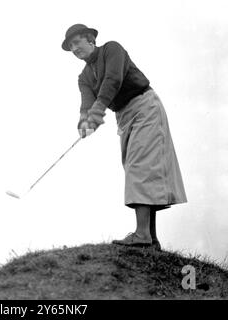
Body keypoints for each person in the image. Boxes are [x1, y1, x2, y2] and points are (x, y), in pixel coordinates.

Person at [62, 24, 187, 250]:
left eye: (77, 42)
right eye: (71, 46)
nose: (74, 48)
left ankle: (141, 235)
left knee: (141, 166)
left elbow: (113, 80)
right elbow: (86, 105)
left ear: (90, 39)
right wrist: (84, 123)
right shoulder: (83, 77)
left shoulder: (112, 49)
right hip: (124, 116)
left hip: (144, 105)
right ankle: (150, 238)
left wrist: (97, 113)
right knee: (136, 168)